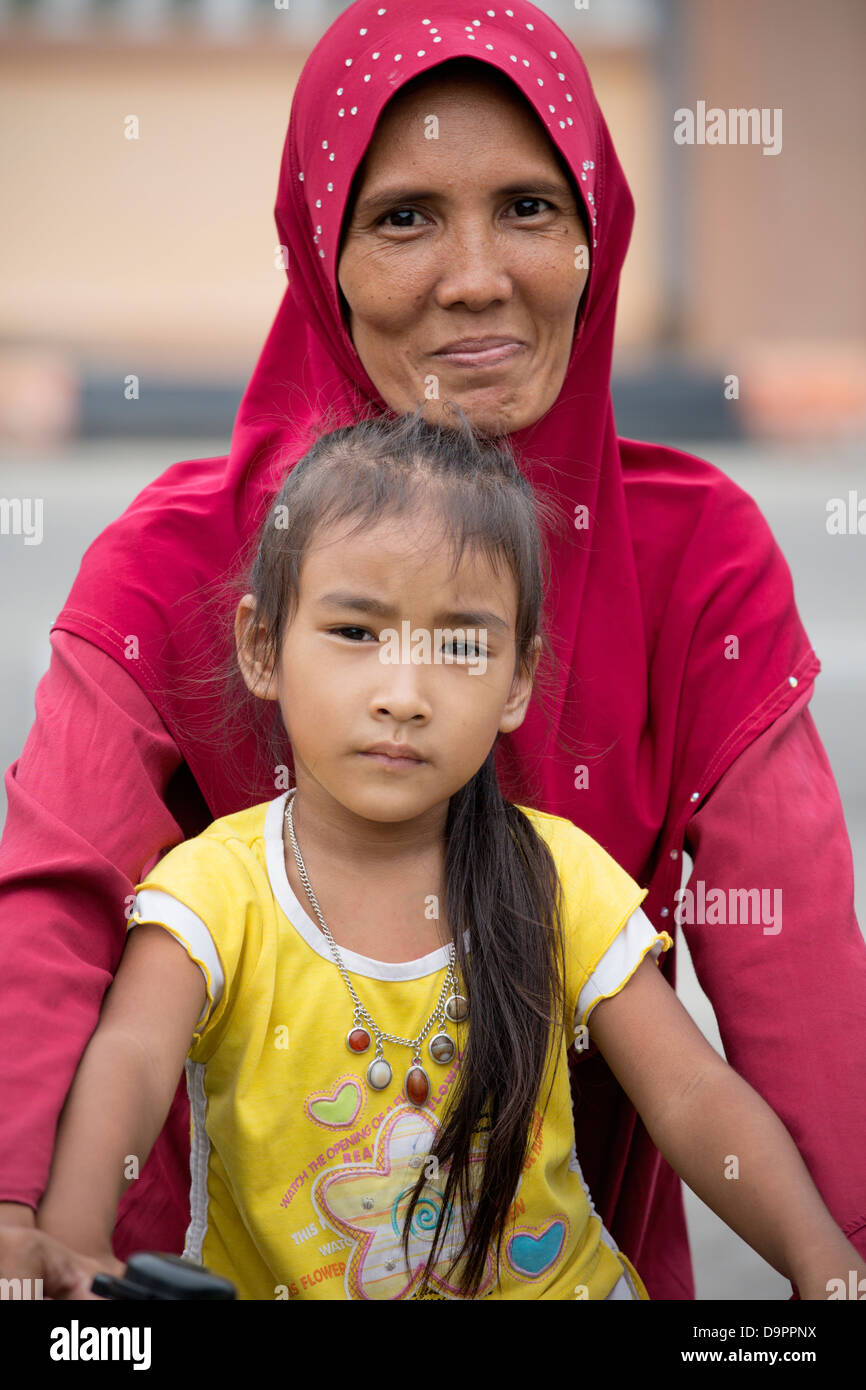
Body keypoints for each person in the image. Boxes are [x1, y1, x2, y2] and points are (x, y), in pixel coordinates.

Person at [1, 0, 865, 1300]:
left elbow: (791, 964)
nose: (477, 274)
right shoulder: (175, 562)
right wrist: (22, 1213)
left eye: (528, 206)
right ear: (321, 248)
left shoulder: (700, 562)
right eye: (404, 215)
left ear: (594, 237)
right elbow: (59, 915)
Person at [33, 410, 866, 1301]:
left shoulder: (557, 878)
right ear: (263, 647)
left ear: (517, 680)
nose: (403, 695)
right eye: (356, 633)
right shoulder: (214, 890)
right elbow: (130, 1058)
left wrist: (827, 1266)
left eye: (460, 647)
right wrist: (74, 1238)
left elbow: (692, 1097)